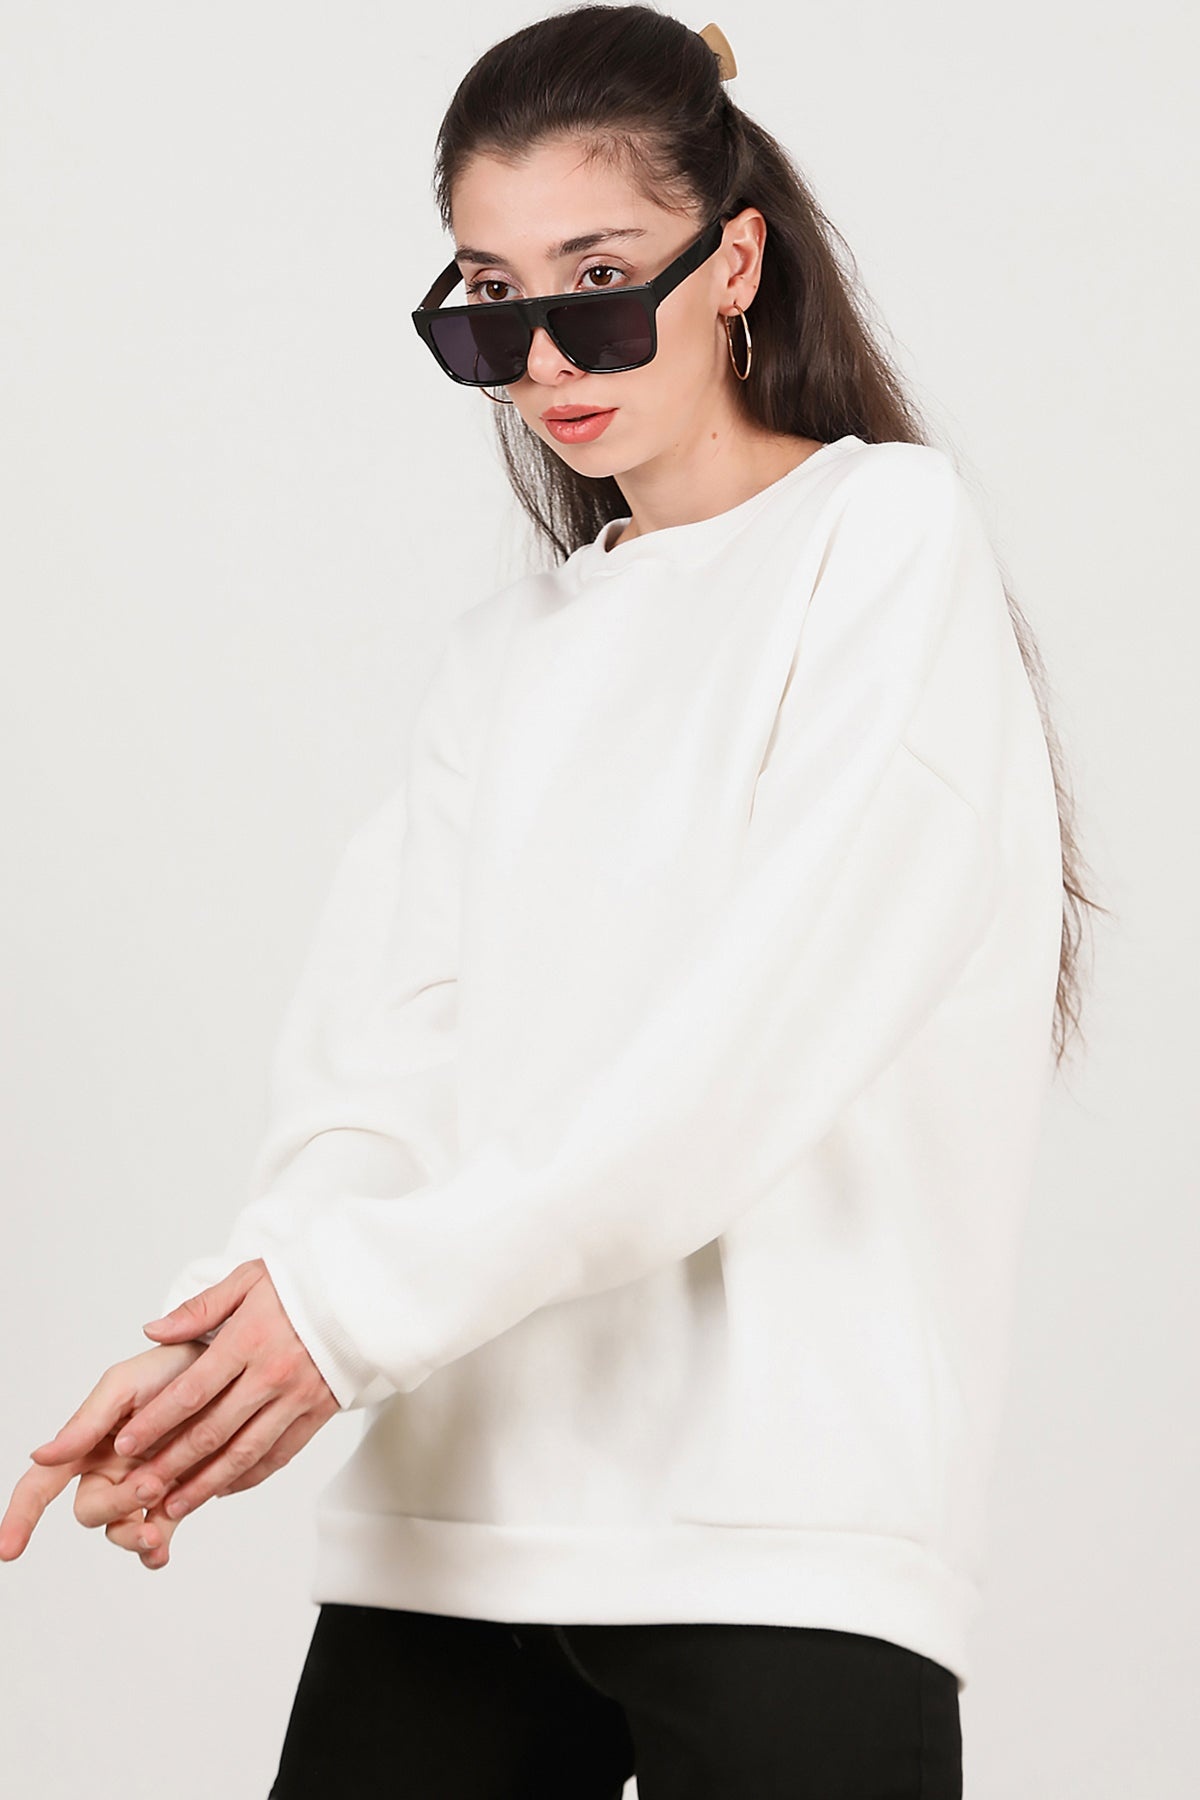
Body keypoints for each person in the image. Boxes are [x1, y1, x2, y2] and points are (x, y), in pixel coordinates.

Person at [0, 9, 1105, 1796]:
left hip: (780, 1530)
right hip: (455, 1527)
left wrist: (342, 1315)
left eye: (598, 286)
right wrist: (230, 1342)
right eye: (488, 304)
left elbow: (734, 1059)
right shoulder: (504, 655)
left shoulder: (883, 542)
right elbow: (381, 1080)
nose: (541, 358)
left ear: (732, 260)